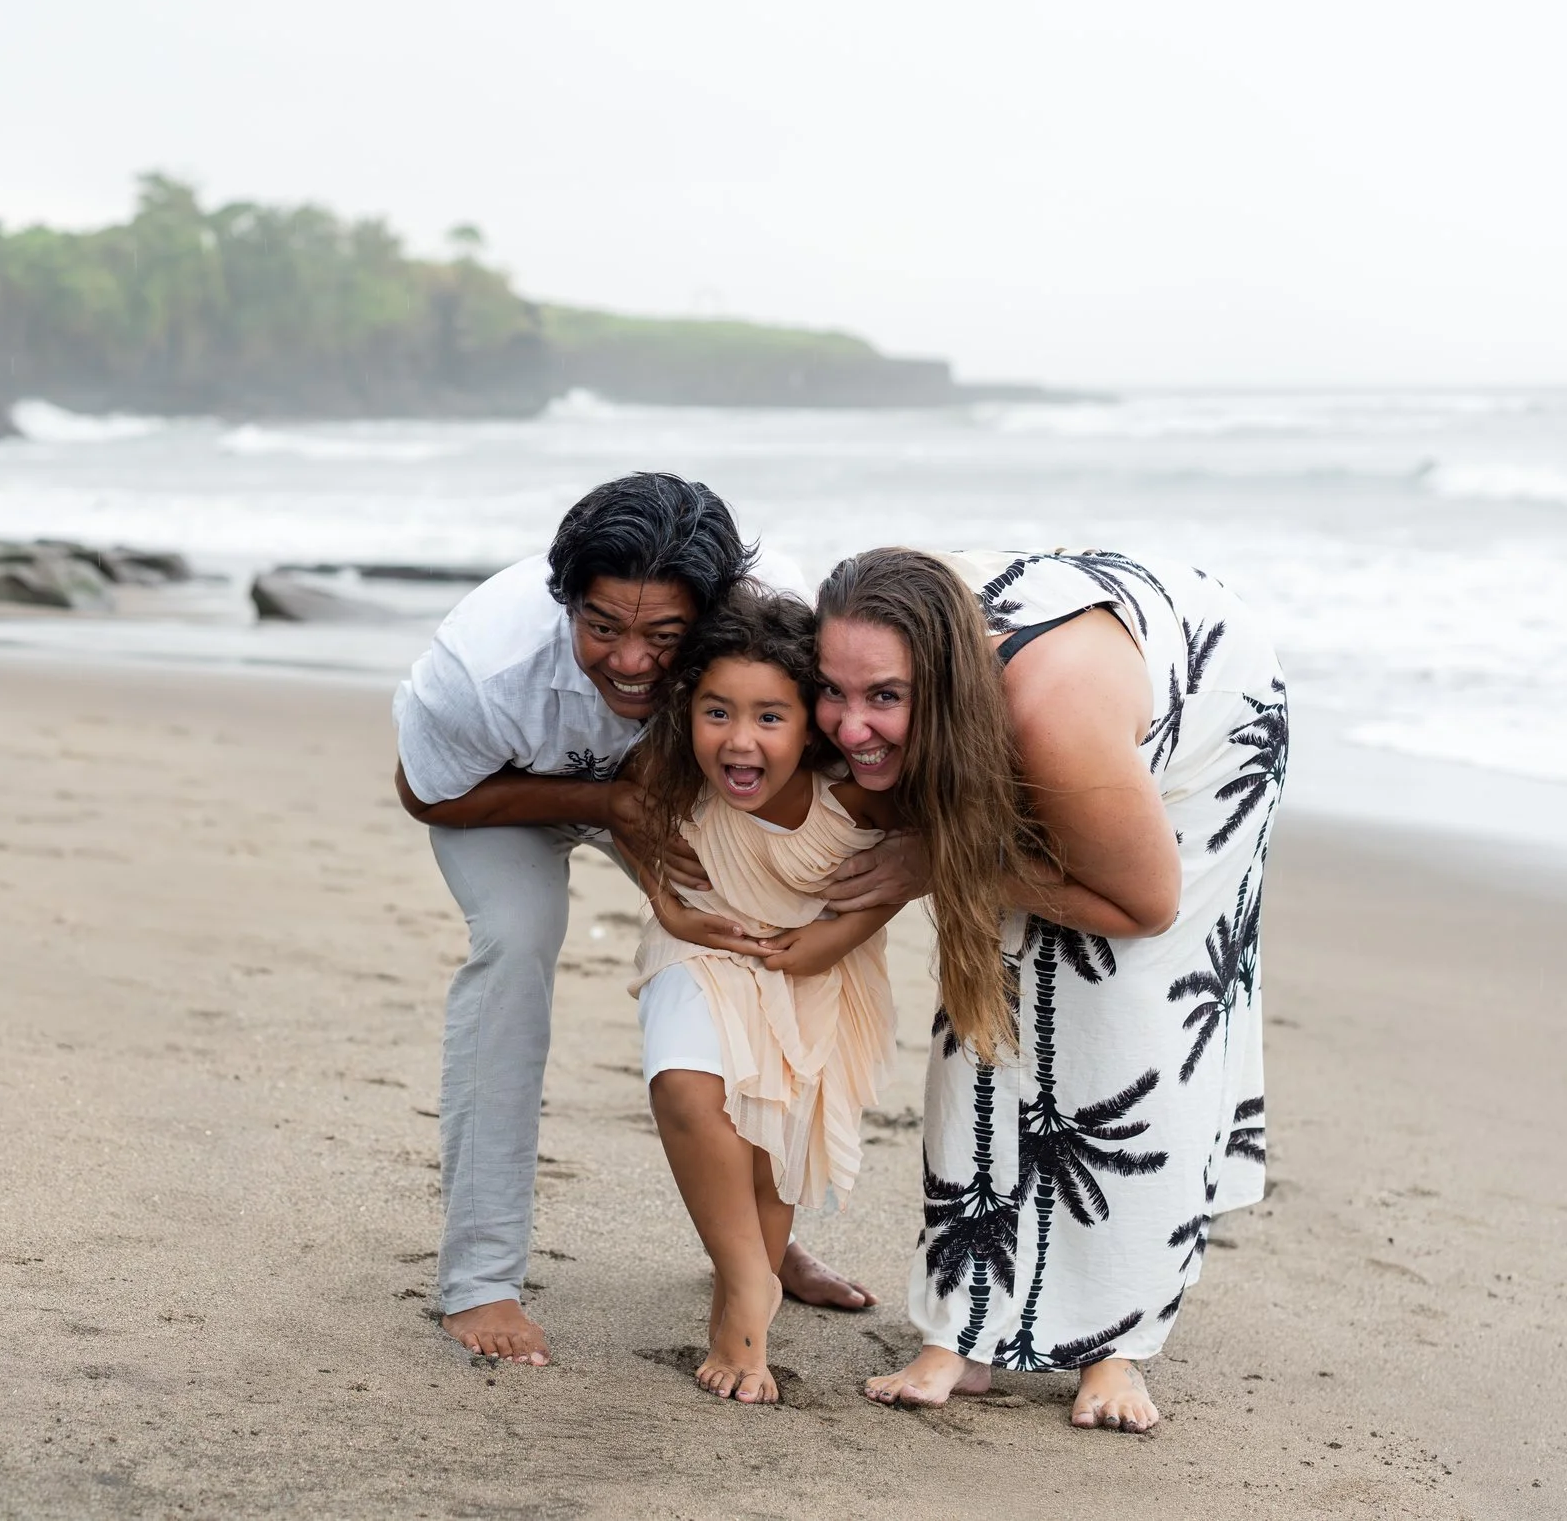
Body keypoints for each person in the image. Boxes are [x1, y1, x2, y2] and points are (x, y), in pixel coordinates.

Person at [392, 473, 875, 1368]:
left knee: (759, 949)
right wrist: (609, 803)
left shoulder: (777, 623)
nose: (631, 660)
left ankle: (756, 1249)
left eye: (665, 636)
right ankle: (481, 1277)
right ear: (564, 599)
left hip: (668, 798)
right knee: (515, 945)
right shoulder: (482, 669)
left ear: (719, 611)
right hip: (501, 800)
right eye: (601, 627)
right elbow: (427, 792)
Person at [816, 548, 1286, 1433]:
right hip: (1061, 641)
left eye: (884, 696)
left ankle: (1115, 1348)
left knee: (1127, 1006)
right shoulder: (871, 652)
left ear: (945, 684)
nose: (847, 724)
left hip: (1209, 706)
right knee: (990, 981)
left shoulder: (1050, 720)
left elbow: (1146, 905)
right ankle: (963, 1329)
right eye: (832, 690)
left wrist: (947, 860)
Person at [620, 587, 902, 1404]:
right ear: (688, 708)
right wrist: (668, 901)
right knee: (684, 1081)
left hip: (810, 966)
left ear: (812, 720)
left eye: (770, 717)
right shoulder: (670, 768)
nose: (739, 740)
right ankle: (751, 1280)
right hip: (700, 943)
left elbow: (926, 855)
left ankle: (739, 1325)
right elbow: (629, 817)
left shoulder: (856, 792)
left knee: (772, 1132)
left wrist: (842, 933)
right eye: (718, 712)